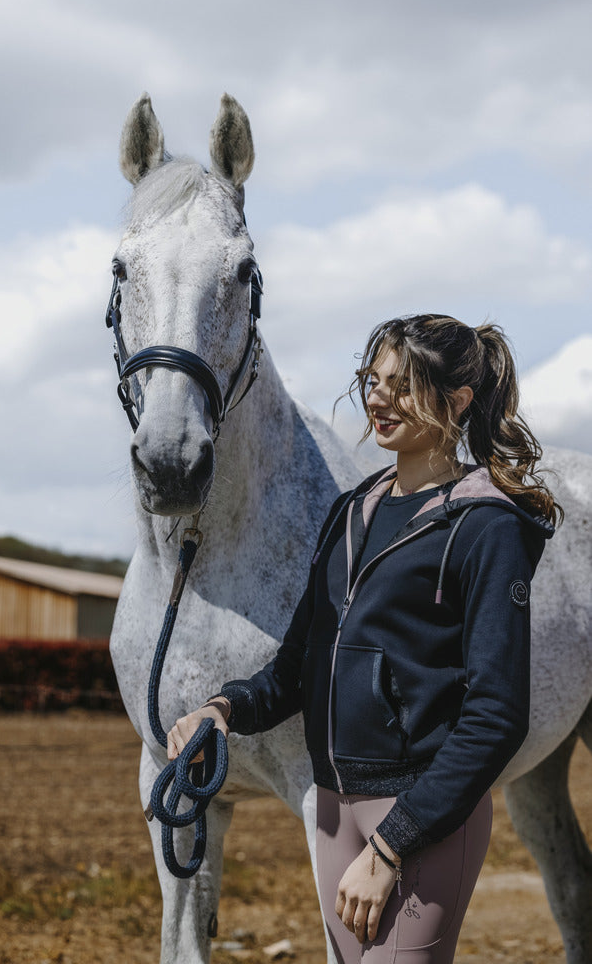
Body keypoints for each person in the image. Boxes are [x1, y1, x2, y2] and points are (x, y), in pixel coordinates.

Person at [167, 314, 559, 964]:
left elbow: (496, 716)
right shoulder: (351, 511)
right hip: (329, 807)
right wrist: (223, 709)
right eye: (371, 381)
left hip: (416, 816)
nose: (377, 399)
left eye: (401, 386)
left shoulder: (487, 525)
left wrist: (391, 844)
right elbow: (295, 666)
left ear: (458, 400)